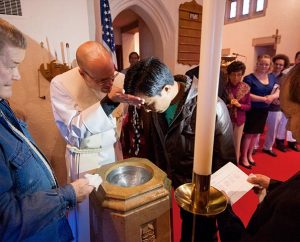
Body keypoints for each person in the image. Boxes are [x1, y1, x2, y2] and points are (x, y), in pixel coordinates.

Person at [0, 18, 94, 242]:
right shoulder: (61, 83)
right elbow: (6, 219)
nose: (17, 75)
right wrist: (67, 195)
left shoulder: (4, 106)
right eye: (12, 65)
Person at [124, 57, 236, 242]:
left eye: (150, 105)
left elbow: (227, 160)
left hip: (203, 192)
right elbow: (154, 147)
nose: (148, 111)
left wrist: (213, 201)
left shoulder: (210, 107)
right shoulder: (153, 105)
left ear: (166, 89)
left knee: (202, 234)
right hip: (174, 186)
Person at [50, 41, 143, 241]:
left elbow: (120, 119)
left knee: (112, 209)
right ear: (83, 73)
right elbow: (74, 128)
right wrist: (109, 102)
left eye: (112, 75)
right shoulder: (61, 83)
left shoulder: (120, 78)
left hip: (111, 152)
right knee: (85, 216)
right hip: (84, 159)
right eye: (103, 80)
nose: (110, 84)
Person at [217, 63, 300, 242]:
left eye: (291, 116)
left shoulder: (293, 209)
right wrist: (272, 185)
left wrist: (224, 211)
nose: (287, 126)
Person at [240, 55, 278, 169]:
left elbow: (277, 89)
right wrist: (264, 99)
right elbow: (247, 95)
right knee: (248, 134)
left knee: (256, 134)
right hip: (252, 110)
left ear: (270, 65)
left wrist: (272, 97)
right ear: (257, 64)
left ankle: (250, 155)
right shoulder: (249, 78)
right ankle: (244, 158)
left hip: (264, 110)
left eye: (266, 64)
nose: (264, 66)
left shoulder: (271, 77)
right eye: (261, 63)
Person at [262, 54, 290, 157]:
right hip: (263, 105)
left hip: (276, 107)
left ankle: (267, 147)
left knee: (273, 130)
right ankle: (255, 146)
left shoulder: (286, 78)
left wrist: (279, 100)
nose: (278, 66)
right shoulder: (266, 74)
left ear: (284, 66)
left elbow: (286, 92)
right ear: (273, 64)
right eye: (276, 64)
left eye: (281, 65)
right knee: (258, 128)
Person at [225, 61, 251, 163]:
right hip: (227, 118)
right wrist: (229, 105)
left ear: (242, 74)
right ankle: (225, 162)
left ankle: (235, 163)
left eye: (239, 75)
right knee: (226, 143)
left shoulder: (246, 87)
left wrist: (239, 105)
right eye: (233, 74)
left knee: (237, 143)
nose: (236, 77)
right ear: (229, 75)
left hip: (240, 120)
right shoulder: (225, 87)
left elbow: (249, 106)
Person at [276, 51, 300, 152]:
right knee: (283, 124)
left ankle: (292, 142)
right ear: (295, 59)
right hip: (286, 106)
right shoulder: (288, 73)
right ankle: (280, 141)